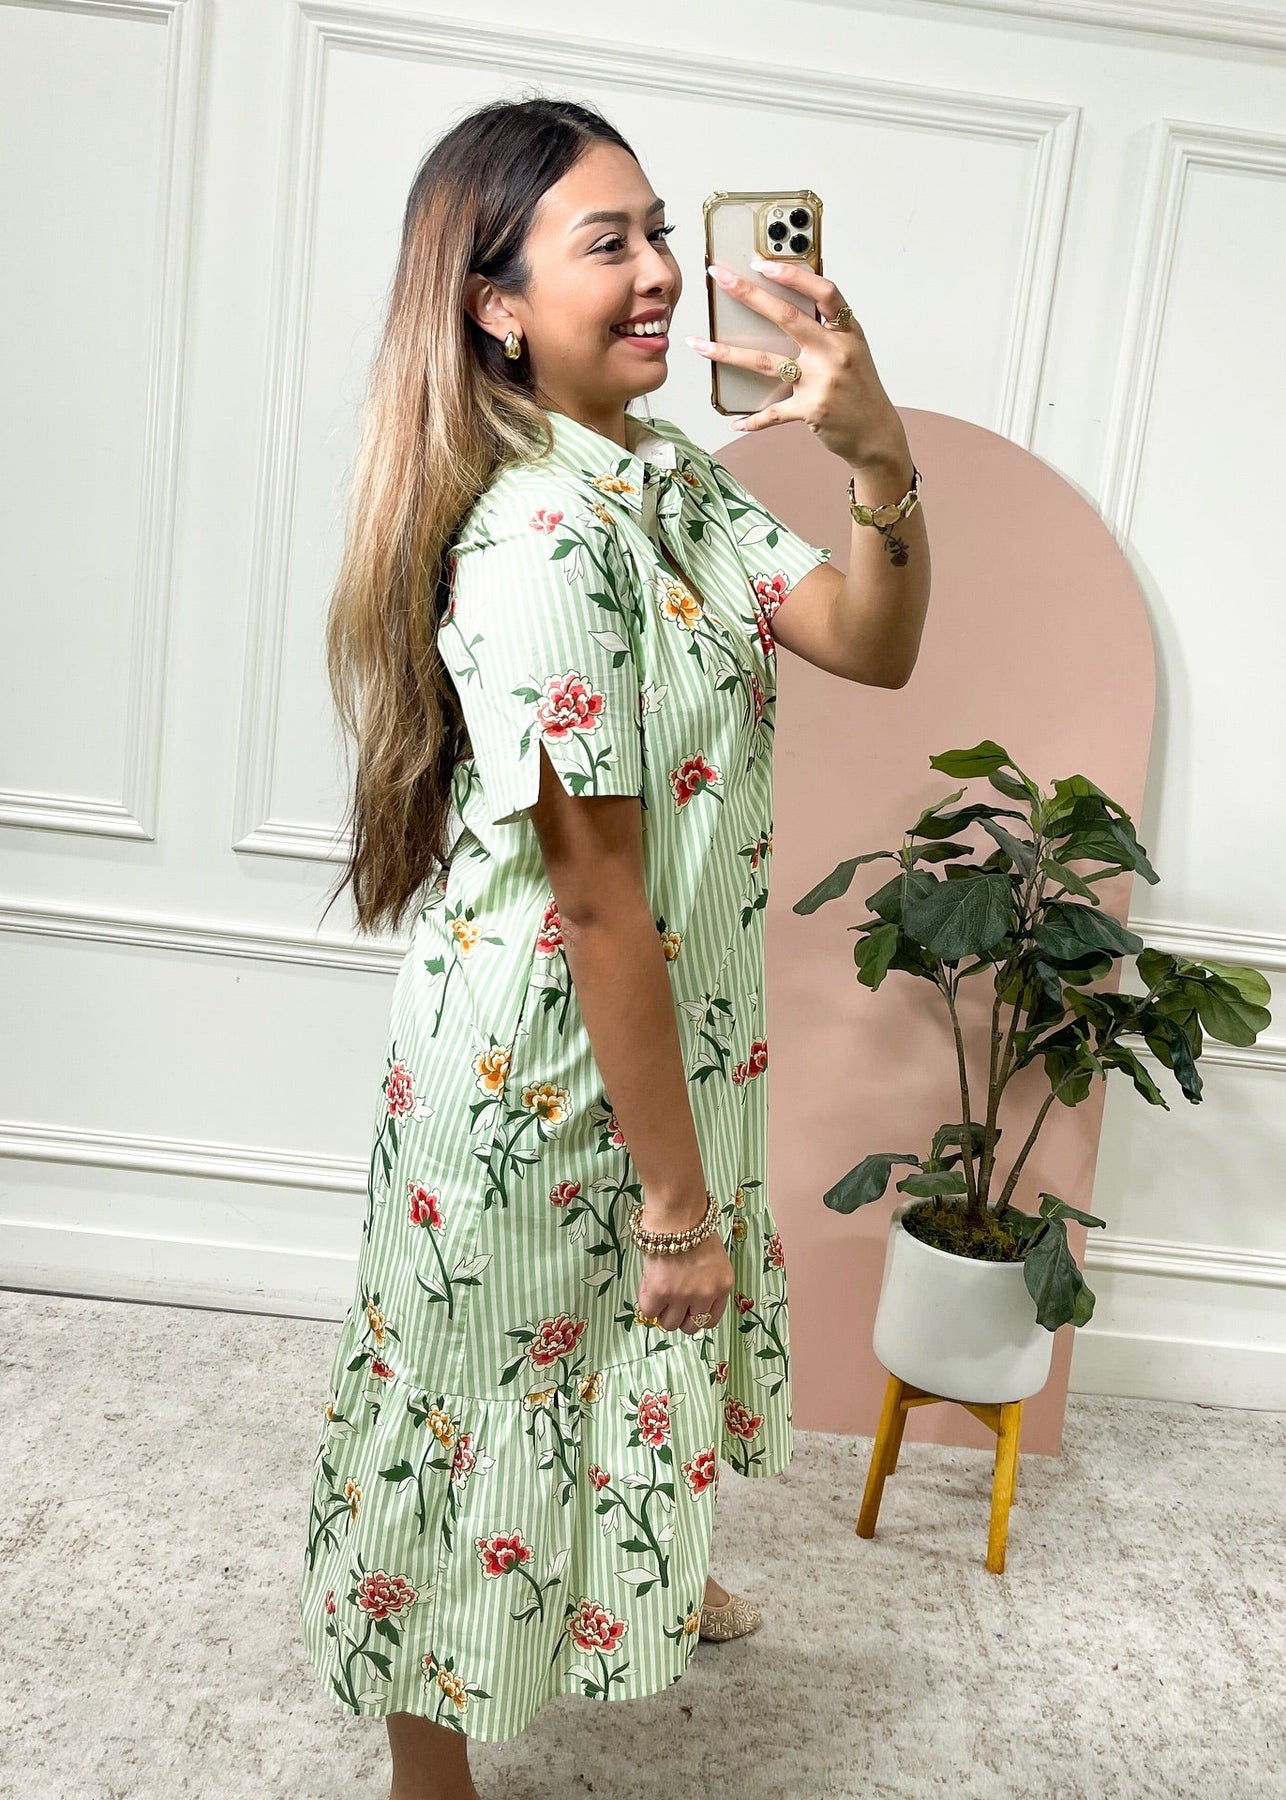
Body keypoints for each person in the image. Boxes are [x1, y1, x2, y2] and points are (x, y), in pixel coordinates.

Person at [299, 92, 929, 1800]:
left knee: (620, 1353)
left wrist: (875, 457)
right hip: (543, 1065)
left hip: (658, 1026)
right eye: (608, 243)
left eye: (660, 231)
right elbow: (593, 902)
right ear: (495, 305)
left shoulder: (666, 481)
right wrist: (676, 1199)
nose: (658, 270)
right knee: (474, 1398)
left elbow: (868, 639)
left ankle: (637, 1569)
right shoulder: (539, 539)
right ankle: (427, 1769)